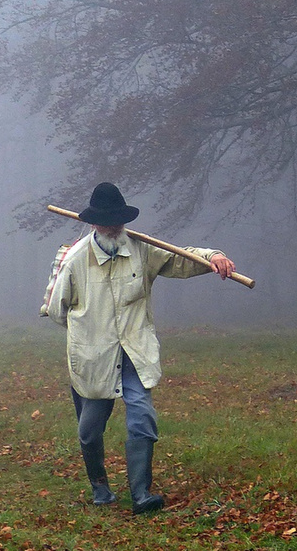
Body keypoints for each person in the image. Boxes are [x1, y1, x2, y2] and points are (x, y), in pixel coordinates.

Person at [44, 182, 235, 514]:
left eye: (118, 220)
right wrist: (89, 331)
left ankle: (141, 494)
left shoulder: (143, 249)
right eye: (107, 221)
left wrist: (213, 257)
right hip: (93, 358)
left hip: (134, 352)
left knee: (142, 419)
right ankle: (100, 486)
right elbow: (58, 310)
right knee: (89, 432)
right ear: (94, 223)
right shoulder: (75, 260)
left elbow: (183, 259)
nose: (114, 227)